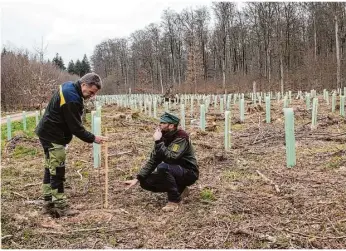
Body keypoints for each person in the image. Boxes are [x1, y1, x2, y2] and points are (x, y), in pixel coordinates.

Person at [35, 72, 108, 217]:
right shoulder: (72, 98)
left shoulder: (69, 86)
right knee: (57, 170)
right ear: (84, 85)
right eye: (91, 92)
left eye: (94, 94)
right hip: (53, 136)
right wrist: (93, 138)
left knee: (50, 167)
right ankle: (60, 206)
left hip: (47, 132)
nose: (92, 96)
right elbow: (76, 128)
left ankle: (48, 201)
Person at [125, 112, 199, 212]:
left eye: (163, 123)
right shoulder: (163, 136)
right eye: (160, 122)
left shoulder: (181, 137)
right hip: (173, 170)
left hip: (188, 172)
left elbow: (171, 157)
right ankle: (180, 189)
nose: (160, 125)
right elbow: (154, 159)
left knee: (163, 167)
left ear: (171, 125)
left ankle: (174, 201)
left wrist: (158, 142)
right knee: (145, 182)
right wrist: (138, 178)